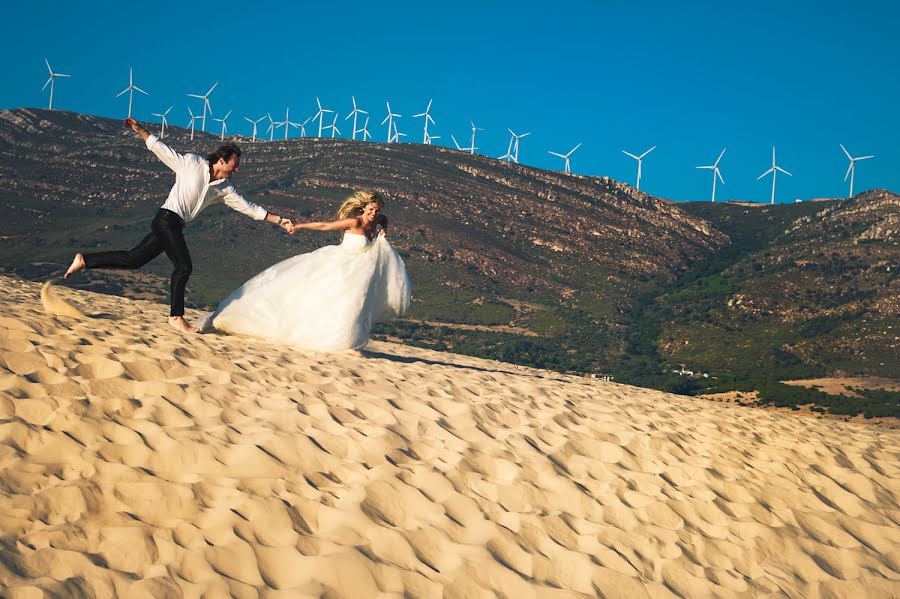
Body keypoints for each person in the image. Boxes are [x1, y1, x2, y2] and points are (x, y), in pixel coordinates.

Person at [64, 117, 294, 333]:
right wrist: (141, 131)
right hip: (166, 218)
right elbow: (162, 150)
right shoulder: (191, 163)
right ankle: (176, 316)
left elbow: (249, 207)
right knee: (183, 267)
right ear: (221, 161)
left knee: (133, 259)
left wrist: (278, 220)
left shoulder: (225, 188)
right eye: (234, 165)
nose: (236, 169)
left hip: (175, 224)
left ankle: (85, 260)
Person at [194, 191, 410, 352]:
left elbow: (384, 222)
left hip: (358, 273)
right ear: (363, 208)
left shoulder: (379, 220)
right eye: (371, 210)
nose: (374, 214)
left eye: (377, 211)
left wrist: (384, 233)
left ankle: (346, 340)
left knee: (351, 305)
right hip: (337, 265)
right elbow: (326, 226)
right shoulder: (353, 221)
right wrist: (299, 226)